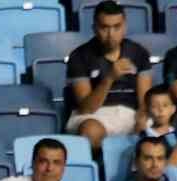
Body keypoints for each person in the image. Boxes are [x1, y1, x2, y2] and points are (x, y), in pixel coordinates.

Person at [65, 1, 152, 149]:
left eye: (116, 27)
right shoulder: (79, 56)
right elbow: (86, 108)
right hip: (92, 116)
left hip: (130, 113)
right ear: (94, 28)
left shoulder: (139, 52)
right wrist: (110, 78)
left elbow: (144, 101)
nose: (111, 34)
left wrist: (141, 118)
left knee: (152, 128)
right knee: (91, 131)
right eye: (104, 27)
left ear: (124, 27)